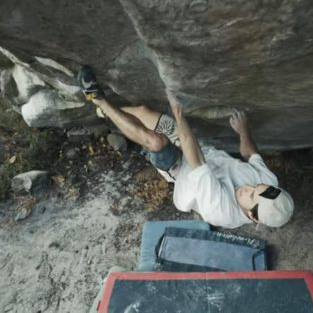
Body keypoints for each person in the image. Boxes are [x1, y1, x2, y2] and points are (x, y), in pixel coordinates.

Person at [77, 66, 294, 229]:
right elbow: (251, 155)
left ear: (253, 217)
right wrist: (243, 130)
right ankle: (107, 113)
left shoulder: (221, 211)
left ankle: (98, 99)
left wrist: (178, 112)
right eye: (258, 186)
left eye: (251, 195)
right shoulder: (269, 184)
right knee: (143, 111)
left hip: (182, 168)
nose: (249, 187)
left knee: (156, 141)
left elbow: (195, 159)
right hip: (203, 150)